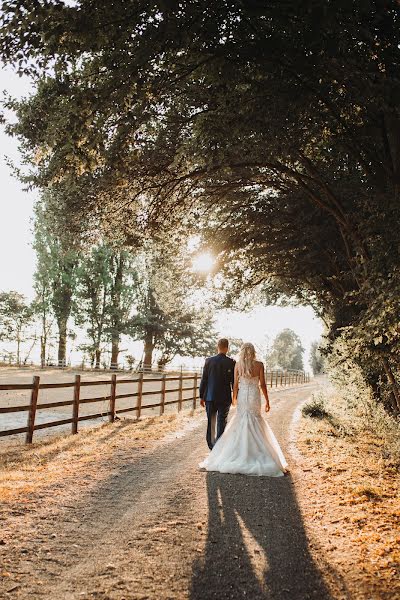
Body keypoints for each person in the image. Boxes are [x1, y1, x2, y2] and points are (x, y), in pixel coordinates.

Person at [199, 342, 288, 476]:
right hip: (253, 395)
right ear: (253, 351)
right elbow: (263, 384)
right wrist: (267, 401)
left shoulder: (238, 365)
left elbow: (235, 385)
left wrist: (234, 398)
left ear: (242, 351)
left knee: (241, 420)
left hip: (242, 396)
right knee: (255, 419)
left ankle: (232, 452)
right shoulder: (259, 365)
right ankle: (256, 452)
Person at [199, 338, 235, 450]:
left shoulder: (208, 361)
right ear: (227, 348)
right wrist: (235, 396)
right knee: (221, 422)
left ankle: (211, 446)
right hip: (225, 397)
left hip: (210, 396)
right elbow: (234, 382)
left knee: (211, 422)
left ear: (217, 347)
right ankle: (219, 447)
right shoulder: (231, 362)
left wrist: (201, 396)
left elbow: (204, 379)